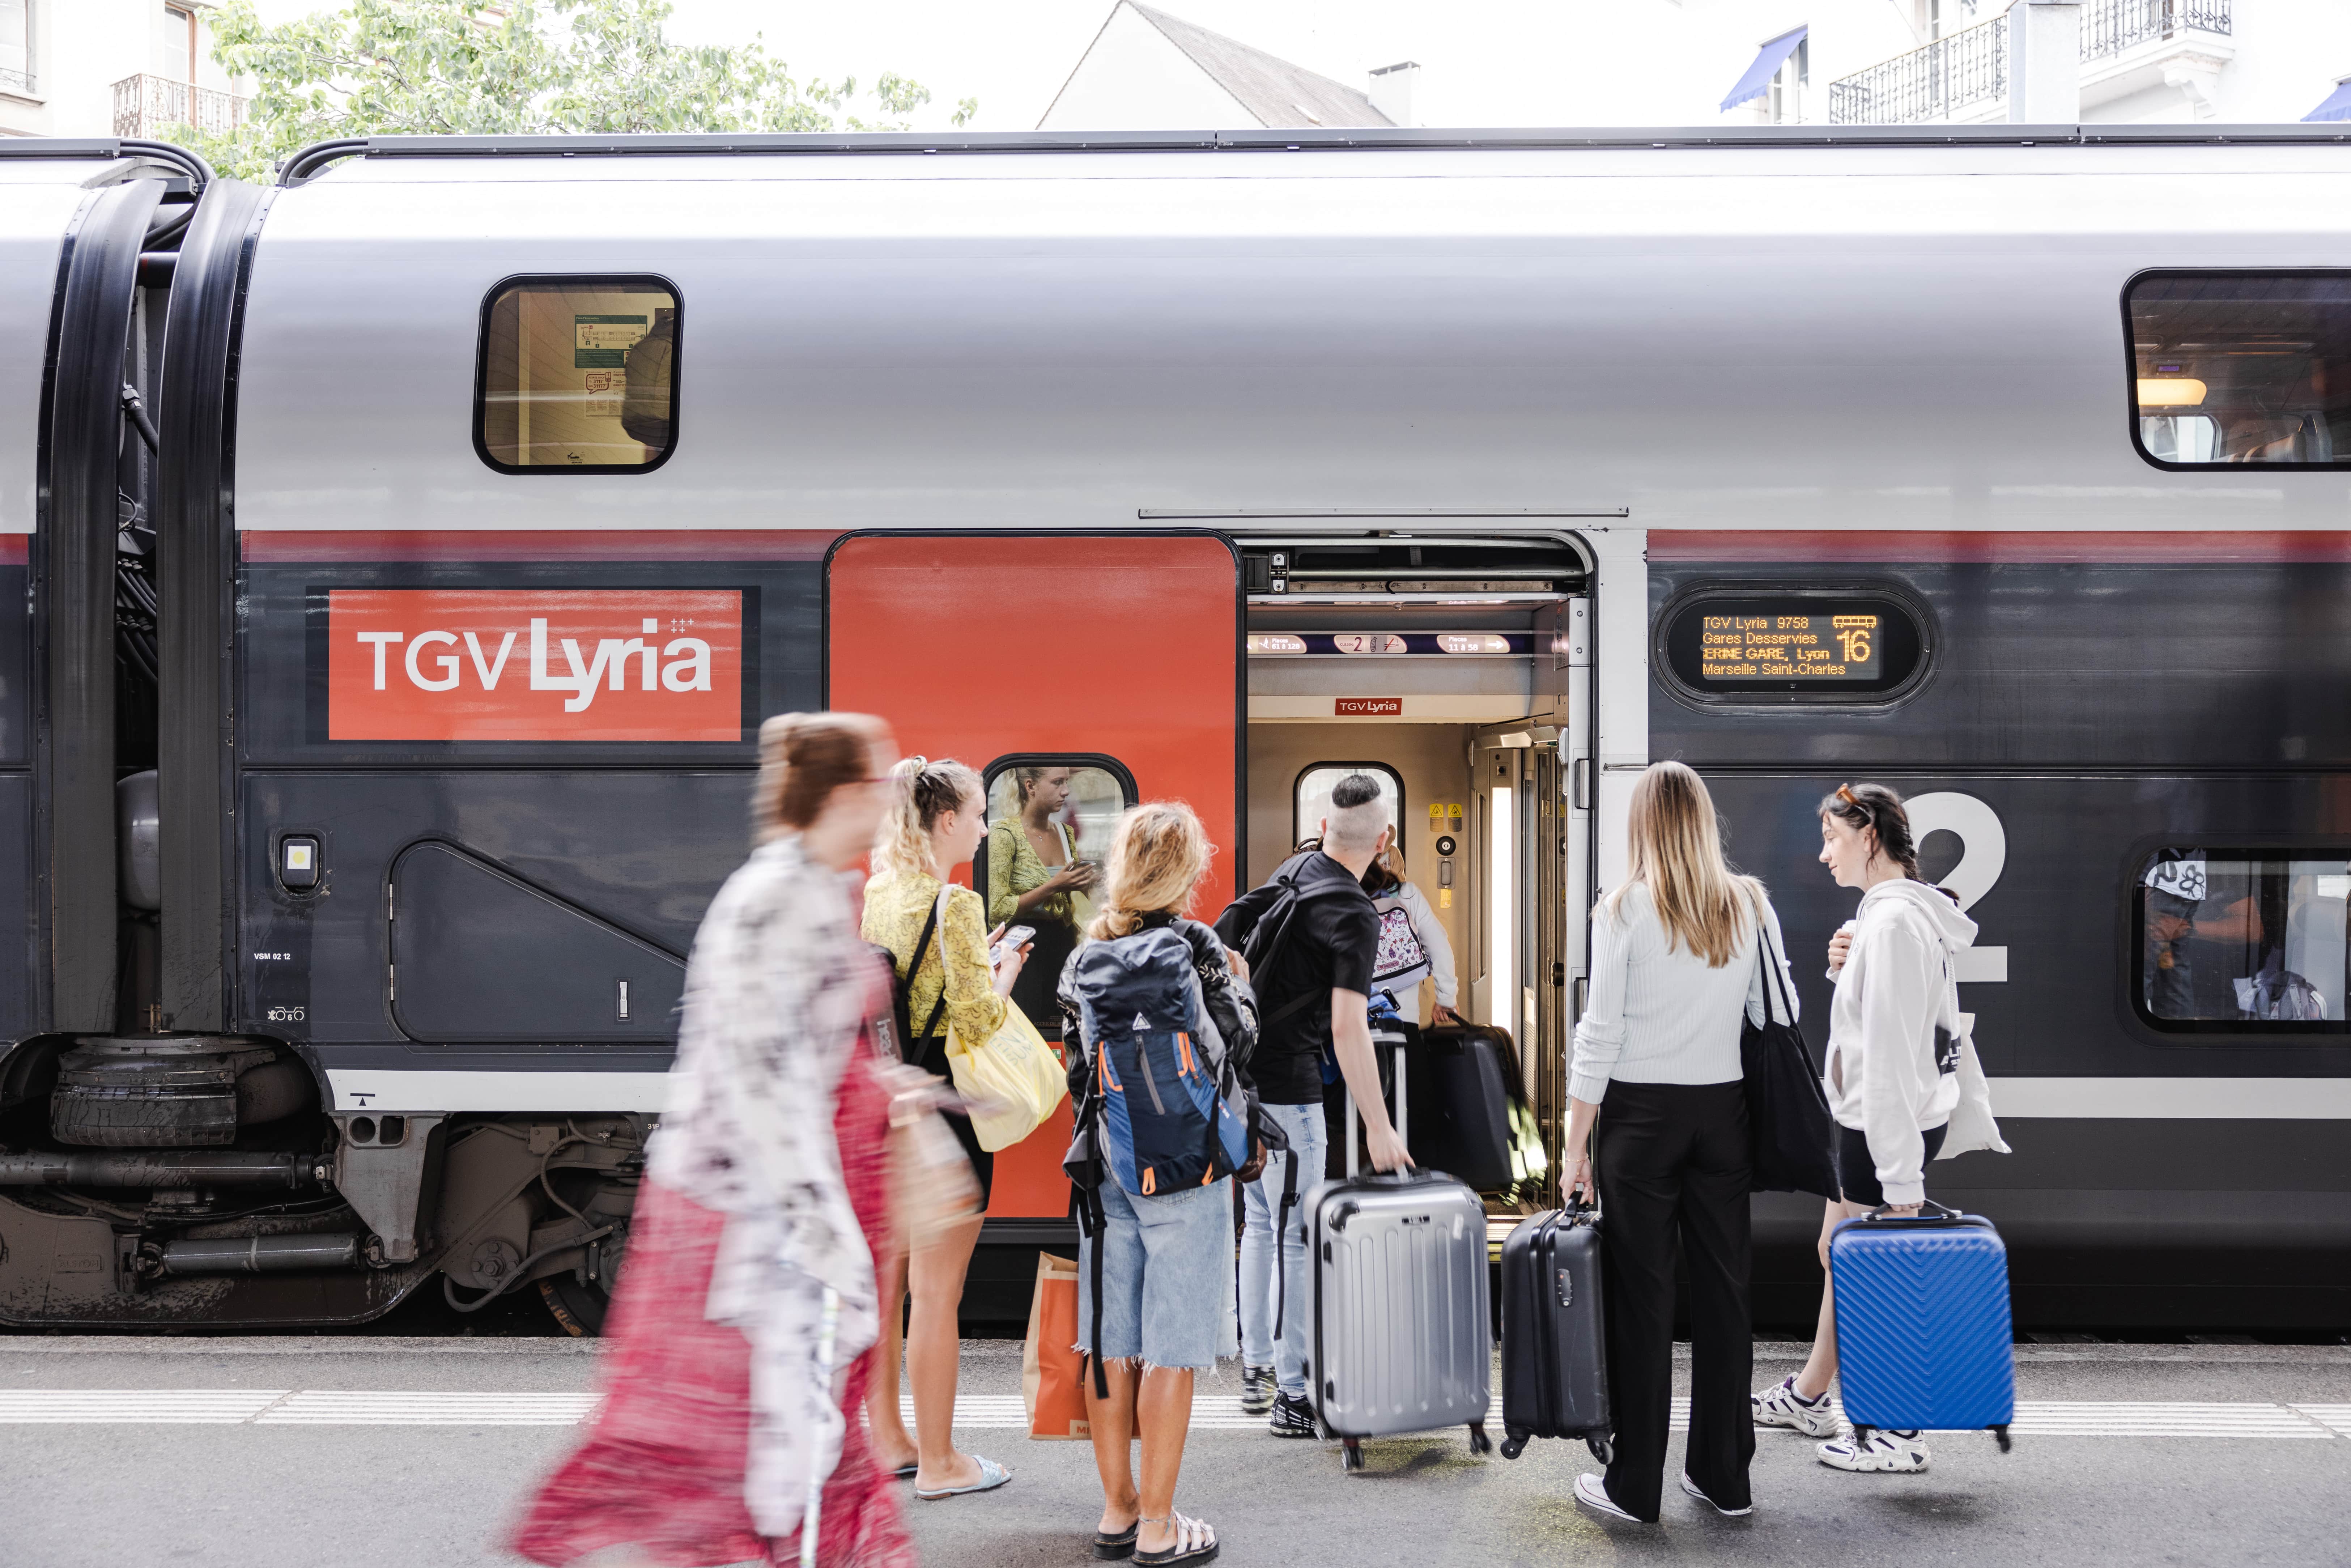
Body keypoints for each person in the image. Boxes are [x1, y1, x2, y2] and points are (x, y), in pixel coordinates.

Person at [512, 711, 915, 1568]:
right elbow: (760, 1077)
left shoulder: (812, 889)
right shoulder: (773, 899)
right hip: (756, 1222)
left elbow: (805, 1055)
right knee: (755, 1449)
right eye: (877, 784)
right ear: (843, 794)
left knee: (788, 1445)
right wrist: (821, 1227)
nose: (887, 803)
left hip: (785, 1215)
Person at [1559, 760, 1795, 1525]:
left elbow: (1601, 1032)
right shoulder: (1748, 901)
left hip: (1639, 1122)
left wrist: (1574, 1146)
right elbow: (1773, 1010)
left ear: (1642, 825)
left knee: (1643, 1301)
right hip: (1721, 1115)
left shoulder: (1623, 908)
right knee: (1725, 1296)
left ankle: (1633, 1486)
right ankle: (1725, 1477)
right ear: (1701, 819)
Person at [1750, 781, 2007, 1476]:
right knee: (1840, 1251)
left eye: (1833, 838)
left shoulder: (1891, 925)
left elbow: (1892, 1055)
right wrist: (1846, 973)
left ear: (1869, 837)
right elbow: (1887, 1026)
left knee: (1875, 1269)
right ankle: (1810, 1394)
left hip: (1880, 1123)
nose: (1824, 853)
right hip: (1870, 1118)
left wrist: (1901, 1183)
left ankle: (1896, 1431)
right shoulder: (1894, 919)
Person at [1058, 801, 1259, 1568]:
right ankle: (1160, 1524)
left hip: (1109, 1165)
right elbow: (1239, 1046)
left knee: (1113, 1343)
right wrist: (1237, 984)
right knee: (1172, 1349)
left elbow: (1078, 1064)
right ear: (1186, 872)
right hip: (1188, 1167)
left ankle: (1117, 1510)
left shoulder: (1086, 956)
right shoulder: (1199, 946)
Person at [1213, 772, 1405, 1435]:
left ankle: (1262, 1370)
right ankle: (1295, 1393)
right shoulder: (1354, 912)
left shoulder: (1296, 870)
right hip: (1291, 1098)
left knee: (1261, 1231)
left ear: (1325, 828)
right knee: (1295, 1238)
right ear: (1384, 841)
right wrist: (1379, 1127)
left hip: (1242, 1088)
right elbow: (1350, 1027)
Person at [861, 756, 1022, 1501]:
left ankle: (889, 1441)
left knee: (886, 1289)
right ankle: (939, 1462)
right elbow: (976, 1018)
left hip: (885, 1109)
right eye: (981, 812)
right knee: (935, 1294)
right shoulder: (951, 904)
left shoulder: (881, 891)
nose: (988, 827)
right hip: (941, 1115)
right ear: (948, 820)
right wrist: (1004, 968)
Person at [988, 765, 1099, 1033]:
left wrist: (1084, 883)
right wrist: (1053, 886)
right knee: (1027, 1030)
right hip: (1023, 951)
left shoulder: (1065, 833)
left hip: (1065, 943)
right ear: (1030, 786)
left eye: (1067, 782)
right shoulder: (1005, 836)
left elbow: (1070, 895)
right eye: (1058, 782)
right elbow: (996, 909)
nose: (1066, 790)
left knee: (1064, 1027)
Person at [1359, 841, 1462, 1027]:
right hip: (1403, 1019)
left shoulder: (1332, 899)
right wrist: (1446, 999)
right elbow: (1438, 944)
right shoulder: (1406, 894)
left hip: (1348, 1021)